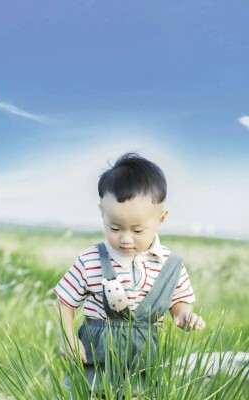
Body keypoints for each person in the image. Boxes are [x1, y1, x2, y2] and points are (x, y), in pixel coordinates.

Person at [53, 152, 205, 397]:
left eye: (137, 230)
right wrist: (67, 337)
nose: (125, 238)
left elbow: (178, 302)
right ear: (102, 212)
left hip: (147, 367)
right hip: (96, 366)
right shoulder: (90, 260)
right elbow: (64, 302)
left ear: (161, 219)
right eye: (114, 227)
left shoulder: (170, 264)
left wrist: (184, 316)